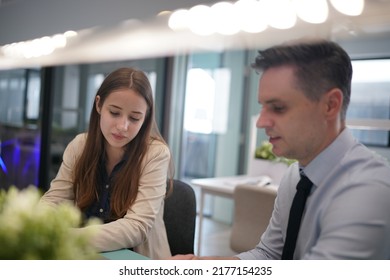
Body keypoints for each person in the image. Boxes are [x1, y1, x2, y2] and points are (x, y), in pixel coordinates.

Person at [172, 39, 390, 260]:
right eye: (263, 107)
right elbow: (269, 255)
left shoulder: (368, 189)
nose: (261, 122)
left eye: (278, 108)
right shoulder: (297, 176)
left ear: (330, 105)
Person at [40, 67, 174, 259]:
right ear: (99, 105)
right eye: (114, 113)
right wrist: (37, 226)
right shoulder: (79, 146)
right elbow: (54, 200)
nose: (122, 126)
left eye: (135, 118)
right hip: (83, 255)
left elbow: (136, 226)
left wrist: (70, 238)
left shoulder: (155, 154)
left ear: (145, 118)